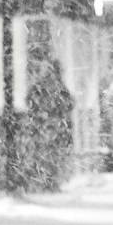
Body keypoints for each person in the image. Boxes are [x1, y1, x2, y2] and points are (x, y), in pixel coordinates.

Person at [25, 57, 74, 192]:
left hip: (49, 127)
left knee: (48, 155)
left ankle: (48, 182)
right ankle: (48, 182)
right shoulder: (51, 88)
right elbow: (69, 105)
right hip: (50, 128)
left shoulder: (48, 88)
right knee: (50, 155)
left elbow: (69, 105)